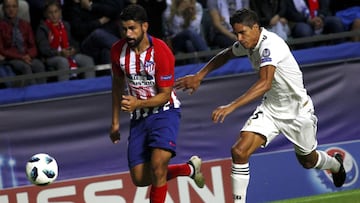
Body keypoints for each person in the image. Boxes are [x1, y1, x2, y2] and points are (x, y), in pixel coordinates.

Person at [175, 8, 346, 203]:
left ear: (256, 28)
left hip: (298, 111)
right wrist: (199, 75)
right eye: (236, 33)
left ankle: (335, 164)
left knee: (308, 161)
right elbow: (226, 54)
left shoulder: (270, 45)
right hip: (271, 109)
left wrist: (231, 106)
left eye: (242, 33)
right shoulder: (248, 43)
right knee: (239, 151)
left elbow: (265, 83)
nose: (239, 38)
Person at [109, 4, 204, 203]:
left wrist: (137, 103)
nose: (128, 33)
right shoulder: (118, 51)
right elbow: (117, 85)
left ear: (145, 26)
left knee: (158, 166)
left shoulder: (161, 52)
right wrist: (115, 122)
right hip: (139, 117)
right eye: (124, 29)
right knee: (140, 179)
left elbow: (164, 95)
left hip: (164, 112)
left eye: (132, 28)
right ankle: (188, 169)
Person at [36, 0, 95, 82]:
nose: (54, 15)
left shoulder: (66, 25)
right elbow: (44, 49)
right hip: (51, 57)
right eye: (50, 12)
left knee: (87, 60)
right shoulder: (42, 28)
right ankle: (64, 90)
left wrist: (73, 49)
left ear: (60, 12)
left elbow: (73, 42)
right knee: (62, 62)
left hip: (68, 54)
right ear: (46, 14)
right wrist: (59, 53)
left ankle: (90, 87)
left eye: (56, 11)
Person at [62, 0, 124, 65]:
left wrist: (91, 6)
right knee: (98, 33)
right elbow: (79, 30)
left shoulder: (93, 3)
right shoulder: (72, 8)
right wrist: (99, 22)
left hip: (103, 41)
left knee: (106, 52)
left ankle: (112, 74)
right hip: (86, 43)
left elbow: (114, 11)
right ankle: (126, 49)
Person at [0, 0, 46, 86]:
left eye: (14, 7)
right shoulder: (1, 26)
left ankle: (43, 91)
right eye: (8, 7)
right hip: (11, 58)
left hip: (27, 56)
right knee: (25, 67)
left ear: (17, 8)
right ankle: (34, 94)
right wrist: (21, 57)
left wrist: (29, 55)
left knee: (38, 65)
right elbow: (2, 50)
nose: (11, 9)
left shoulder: (25, 24)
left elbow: (33, 46)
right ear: (3, 9)